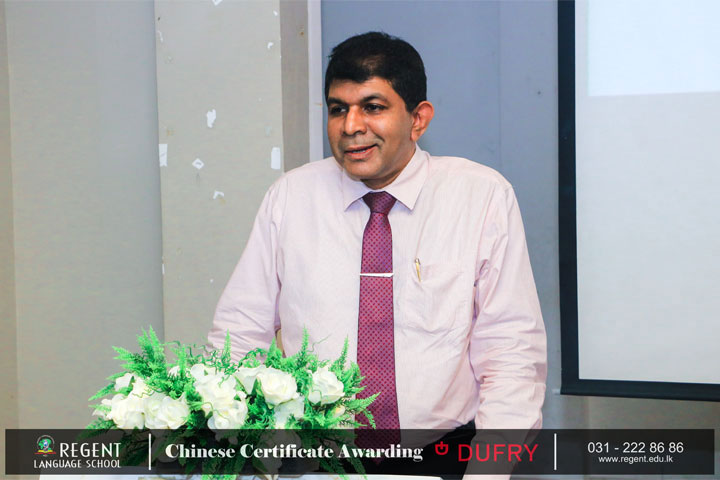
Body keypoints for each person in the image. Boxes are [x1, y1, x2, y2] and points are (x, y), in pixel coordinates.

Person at [209, 31, 546, 478]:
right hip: (314, 459)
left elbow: (510, 352)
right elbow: (238, 336)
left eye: (372, 107)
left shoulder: (480, 197)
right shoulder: (291, 197)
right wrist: (247, 454)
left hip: (444, 457)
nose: (351, 126)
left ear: (418, 119)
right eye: (337, 109)